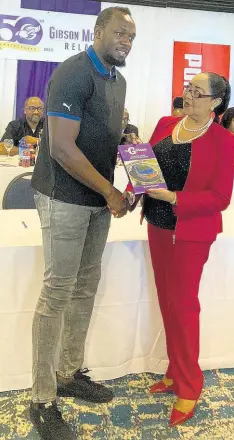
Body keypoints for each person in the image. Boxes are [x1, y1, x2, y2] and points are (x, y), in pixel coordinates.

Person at [30, 6, 136, 440]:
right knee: (57, 290)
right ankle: (41, 399)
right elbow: (62, 149)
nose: (126, 41)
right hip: (63, 197)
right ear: (97, 32)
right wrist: (110, 191)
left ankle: (69, 373)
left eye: (131, 36)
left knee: (86, 285)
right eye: (119, 33)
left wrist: (132, 154)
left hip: (97, 200)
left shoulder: (118, 79)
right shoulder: (74, 72)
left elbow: (102, 138)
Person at [125, 72, 234, 426]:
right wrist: (132, 190)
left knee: (184, 306)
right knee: (166, 300)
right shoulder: (165, 123)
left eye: (197, 92)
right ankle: (175, 370)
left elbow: (221, 198)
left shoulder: (222, 140)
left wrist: (174, 197)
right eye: (188, 89)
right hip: (158, 225)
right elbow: (145, 166)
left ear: (216, 102)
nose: (188, 95)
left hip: (190, 232)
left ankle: (190, 384)